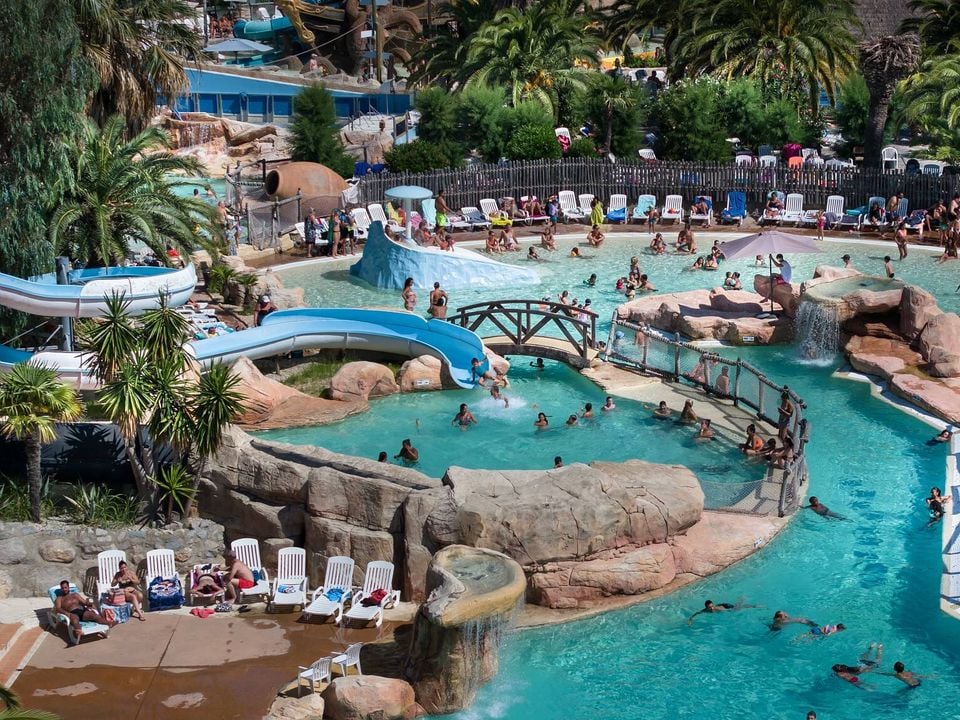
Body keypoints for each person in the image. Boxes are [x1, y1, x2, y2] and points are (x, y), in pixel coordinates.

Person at [687, 599, 757, 624]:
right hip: (721, 605)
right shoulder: (705, 610)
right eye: (709, 607)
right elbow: (696, 613)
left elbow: (728, 610)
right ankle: (742, 599)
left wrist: (731, 615)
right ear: (706, 608)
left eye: (712, 606)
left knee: (737, 608)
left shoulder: (717, 609)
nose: (711, 608)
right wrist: (690, 619)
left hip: (726, 606)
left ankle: (753, 605)